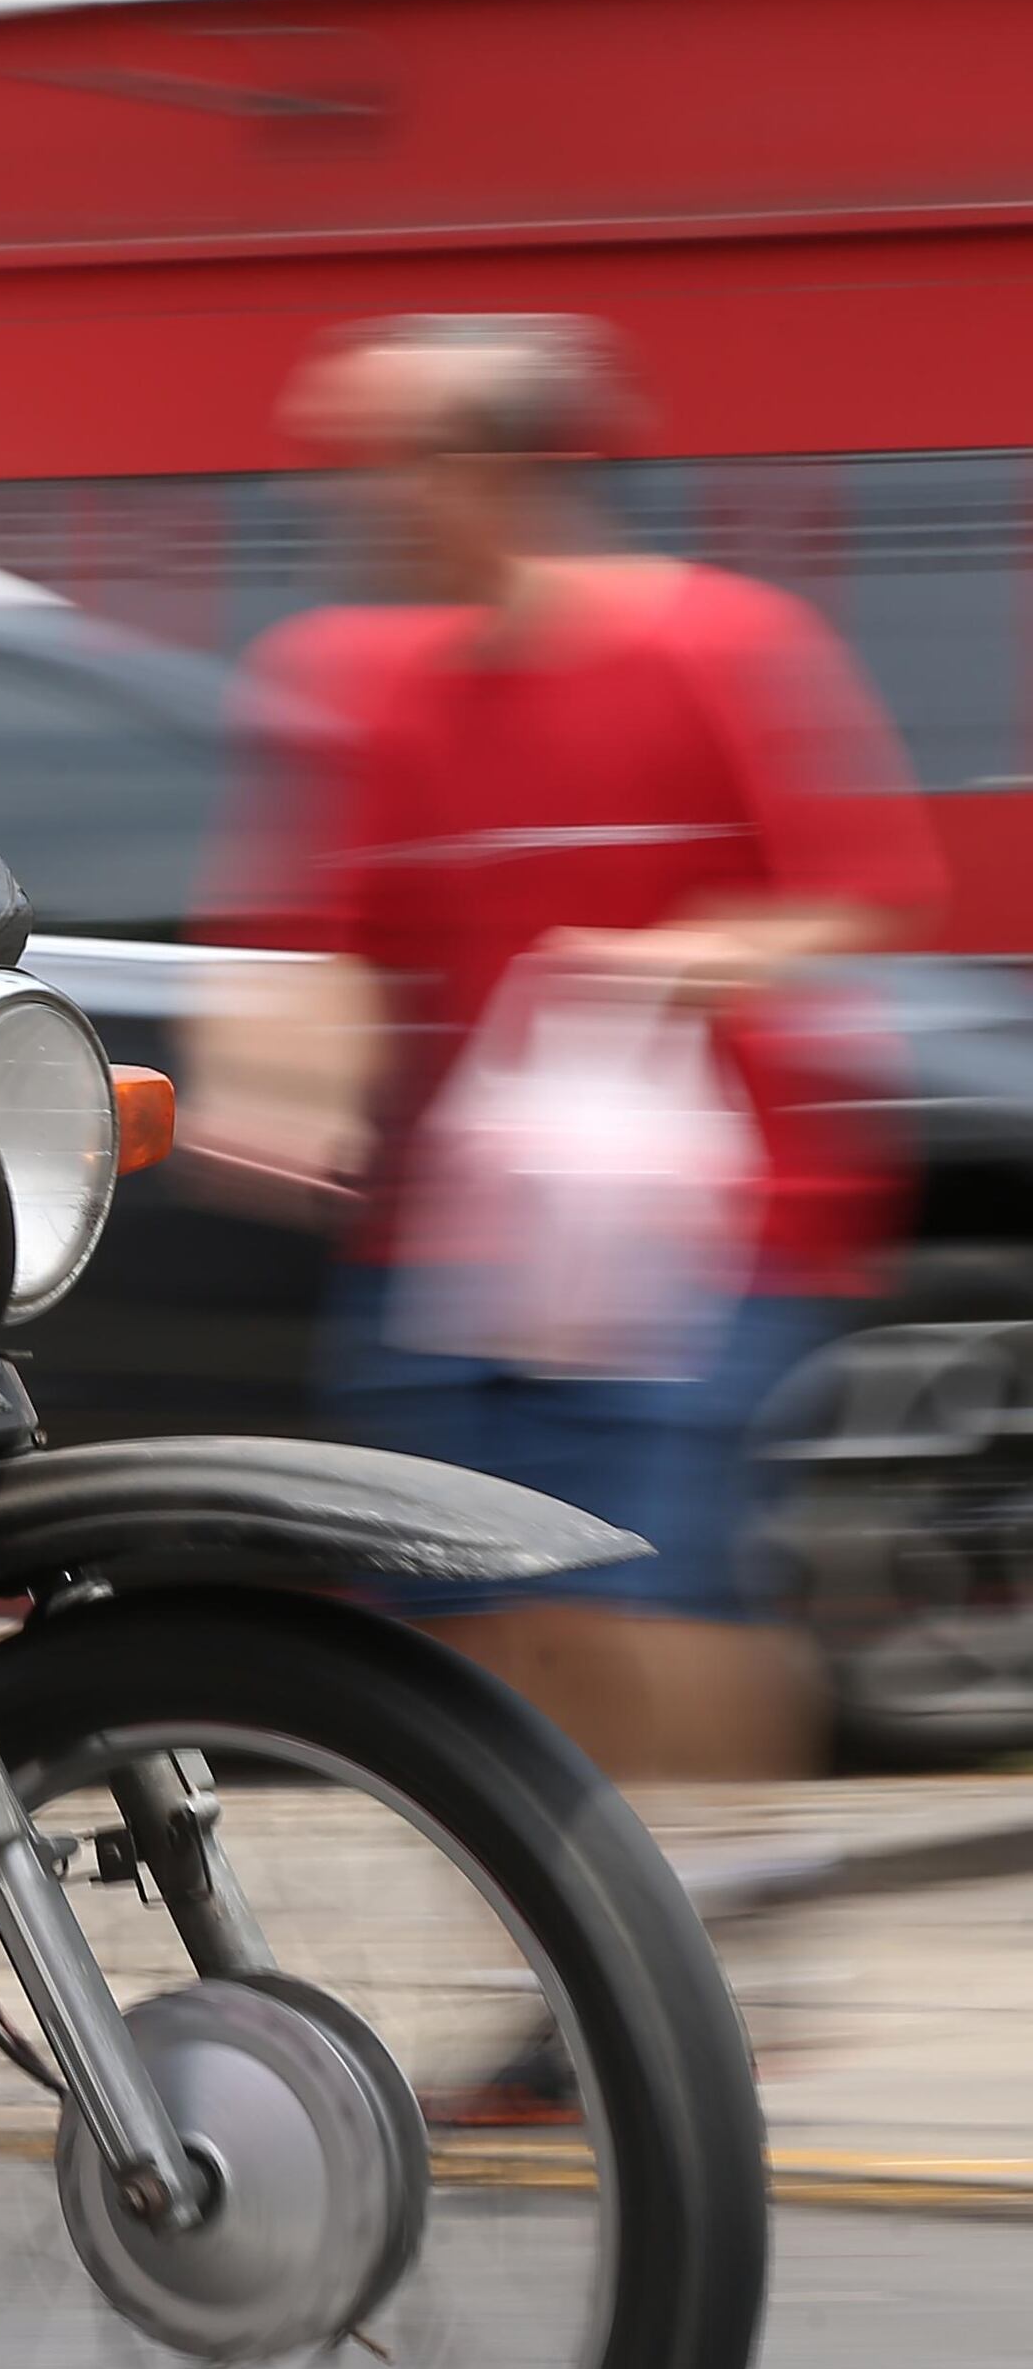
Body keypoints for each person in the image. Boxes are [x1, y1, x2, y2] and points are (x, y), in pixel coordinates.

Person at [196, 314, 942, 1780]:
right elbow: (327, 936)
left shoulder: (716, 646)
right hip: (454, 1241)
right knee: (447, 1603)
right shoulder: (354, 680)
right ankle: (560, 1946)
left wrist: (684, 957)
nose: (350, 496)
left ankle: (707, 1946)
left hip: (696, 1234)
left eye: (382, 462)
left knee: (645, 1602)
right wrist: (266, 1090)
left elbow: (866, 892)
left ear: (503, 469)